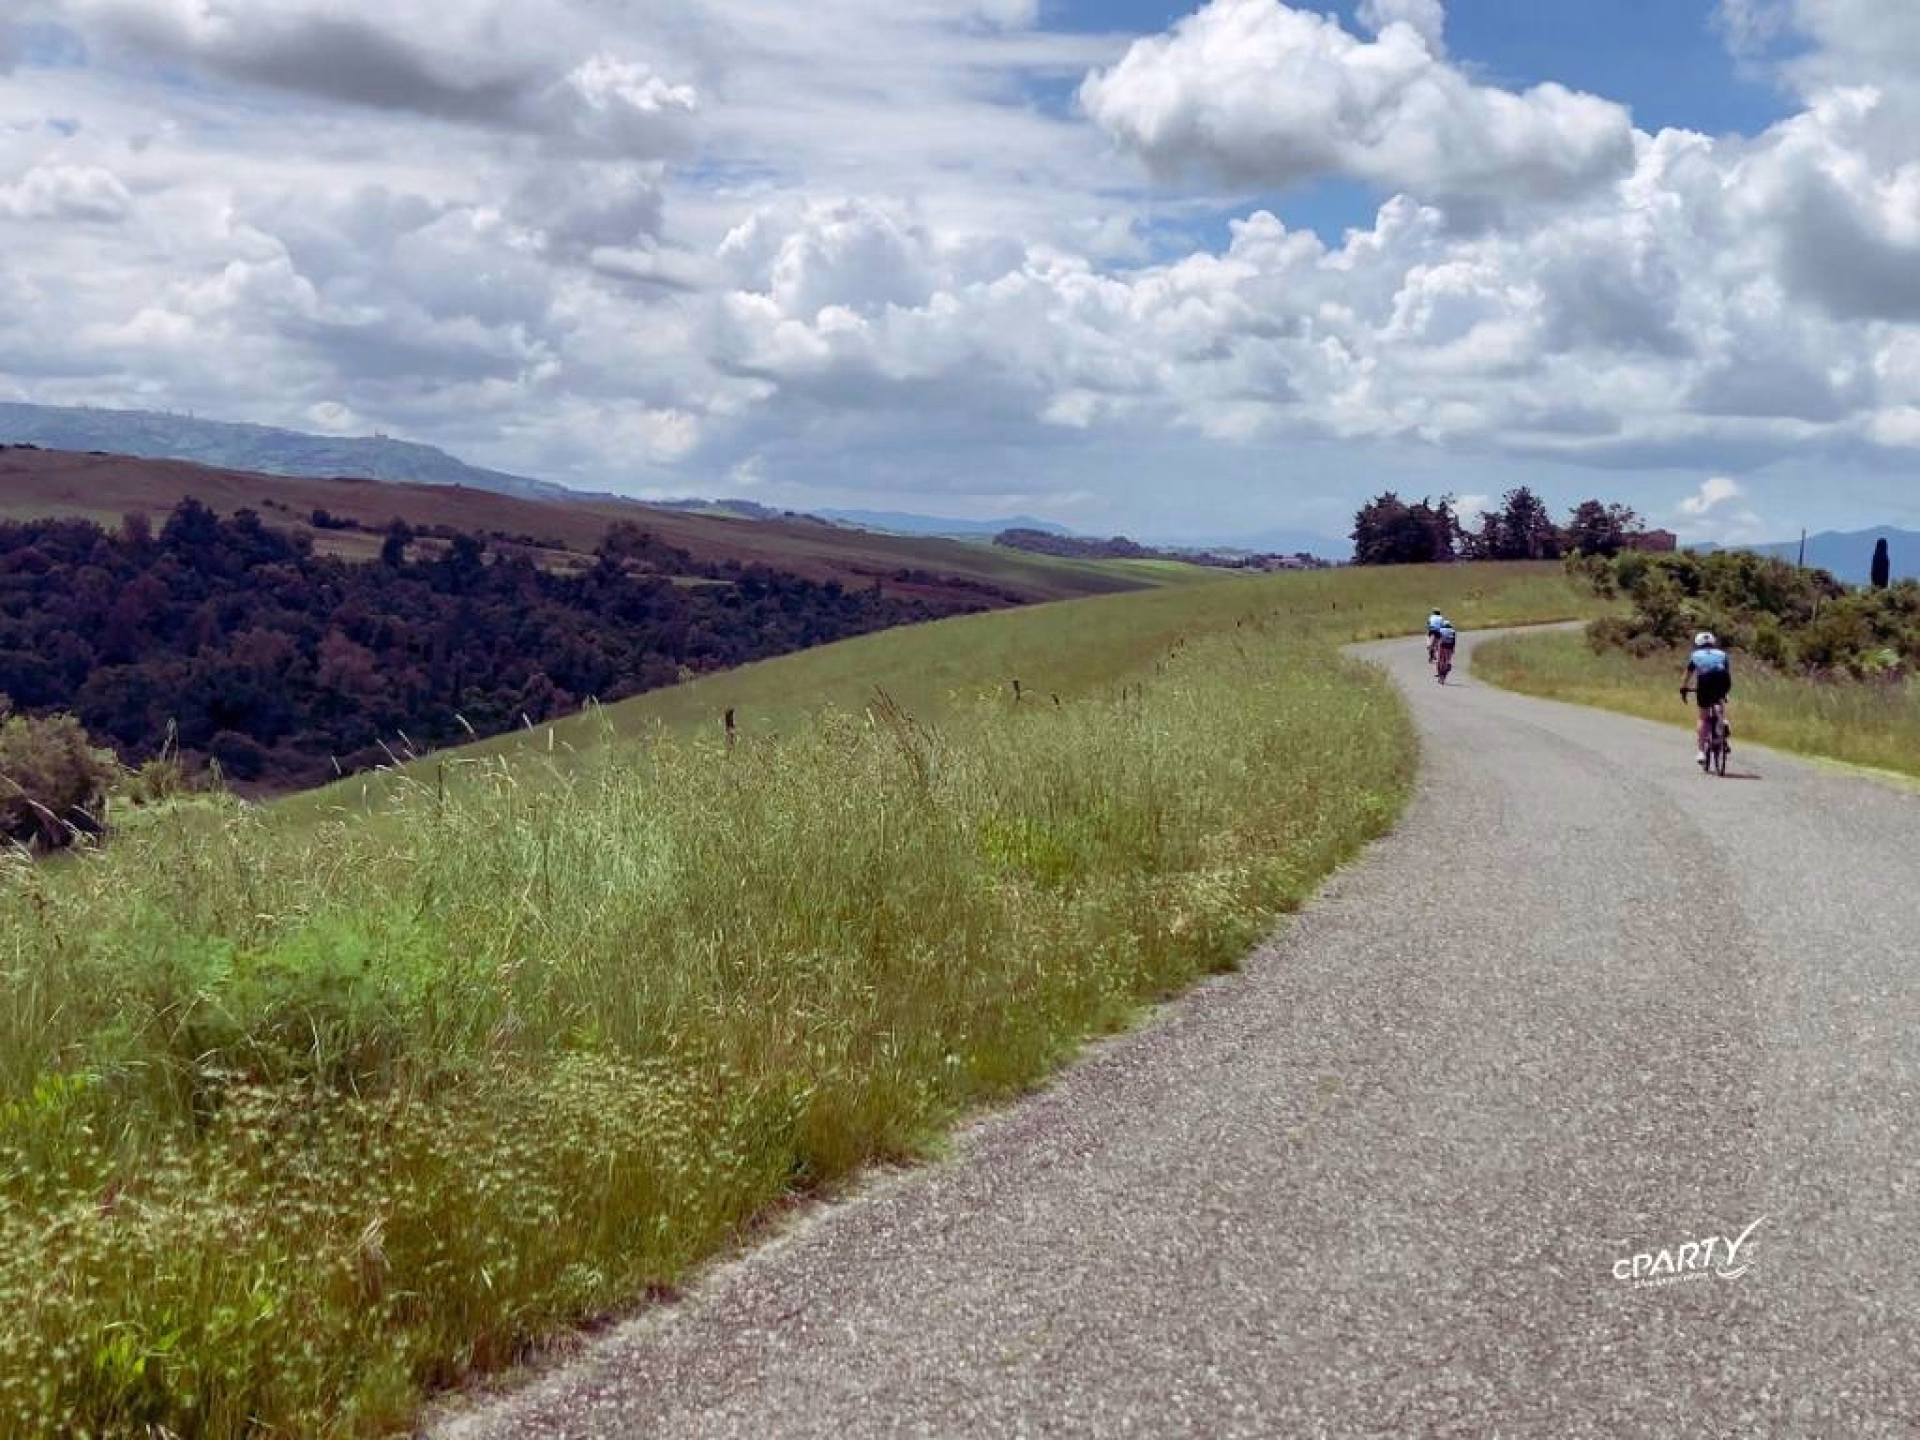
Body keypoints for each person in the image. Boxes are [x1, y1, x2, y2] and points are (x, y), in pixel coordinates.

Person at [1681, 630, 1732, 765]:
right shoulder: (1722, 654)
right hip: (1723, 680)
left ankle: (1701, 752)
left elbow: (1687, 675)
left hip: (1705, 683)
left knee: (1703, 717)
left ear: (1697, 644)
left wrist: (1683, 688)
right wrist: (1724, 692)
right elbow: (1726, 672)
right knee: (1721, 698)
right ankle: (1723, 721)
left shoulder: (1695, 655)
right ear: (1713, 643)